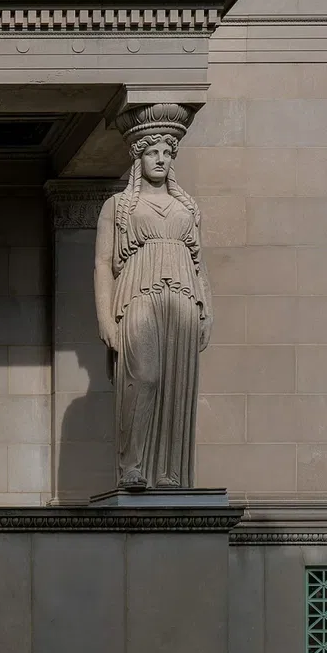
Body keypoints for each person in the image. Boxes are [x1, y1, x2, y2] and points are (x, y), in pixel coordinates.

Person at [93, 104, 212, 490]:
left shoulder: (187, 206)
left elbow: (198, 262)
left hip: (182, 297)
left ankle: (169, 473)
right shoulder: (120, 206)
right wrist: (105, 320)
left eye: (166, 152)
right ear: (138, 156)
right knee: (143, 376)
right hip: (138, 294)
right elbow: (102, 264)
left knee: (177, 384)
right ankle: (133, 464)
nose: (160, 158)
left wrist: (207, 308)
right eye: (152, 151)